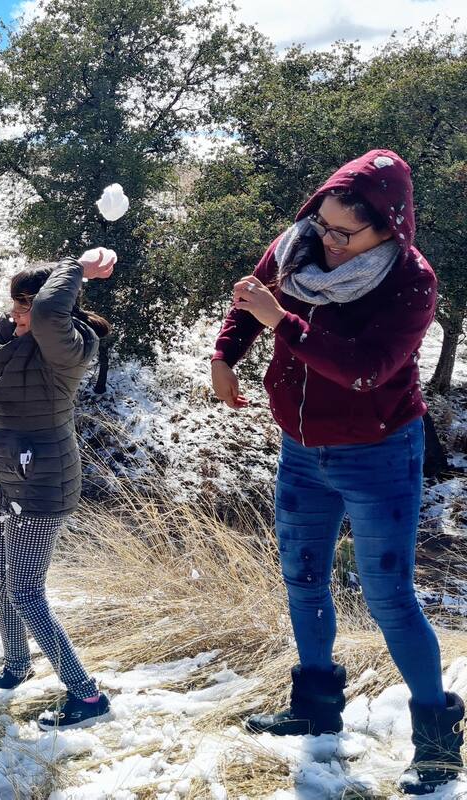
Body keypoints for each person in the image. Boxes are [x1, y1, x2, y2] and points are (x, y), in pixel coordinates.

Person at [211, 149, 463, 795]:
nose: (327, 240)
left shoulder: (411, 281)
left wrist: (280, 321)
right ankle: (316, 709)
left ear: (389, 227)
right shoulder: (297, 245)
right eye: (321, 222)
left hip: (379, 452)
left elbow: (365, 369)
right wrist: (225, 354)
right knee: (303, 582)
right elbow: (251, 297)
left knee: (389, 598)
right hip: (301, 449)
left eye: (344, 233)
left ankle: (438, 744)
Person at [0, 247, 115, 730]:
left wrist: (77, 268)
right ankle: (16, 666)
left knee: (25, 590)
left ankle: (87, 696)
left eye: (24, 304)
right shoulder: (18, 333)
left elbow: (47, 312)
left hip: (42, 482)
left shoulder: (66, 344)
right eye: (15, 303)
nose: (16, 312)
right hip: (11, 478)